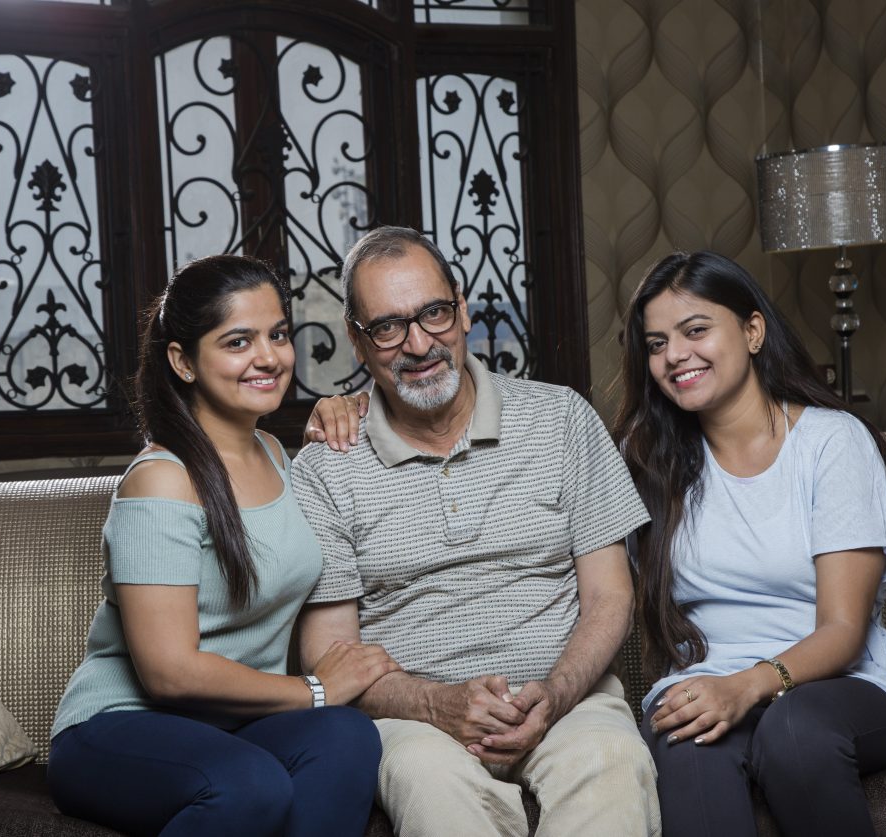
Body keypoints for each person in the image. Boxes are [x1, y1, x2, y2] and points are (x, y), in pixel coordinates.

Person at [613, 250, 886, 836]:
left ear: (752, 331)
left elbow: (843, 632)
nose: (674, 355)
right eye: (655, 343)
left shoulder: (831, 443)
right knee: (686, 742)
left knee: (793, 730)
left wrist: (745, 687)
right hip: (710, 678)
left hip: (845, 685)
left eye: (695, 330)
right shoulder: (647, 462)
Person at [293, 226, 662, 837]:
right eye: (387, 326)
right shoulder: (326, 466)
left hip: (566, 699)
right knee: (434, 789)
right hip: (417, 722)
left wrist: (557, 691)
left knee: (613, 762)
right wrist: (434, 704)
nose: (417, 343)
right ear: (359, 345)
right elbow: (330, 655)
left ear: (462, 311)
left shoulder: (562, 418)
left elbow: (610, 595)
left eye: (433, 313)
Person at [46, 254, 399, 837]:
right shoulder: (162, 478)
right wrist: (313, 689)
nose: (268, 357)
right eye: (238, 341)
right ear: (183, 361)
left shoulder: (279, 457)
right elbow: (167, 673)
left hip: (233, 726)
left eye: (278, 334)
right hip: (117, 728)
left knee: (347, 736)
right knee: (249, 784)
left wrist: (346, 407)